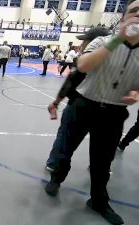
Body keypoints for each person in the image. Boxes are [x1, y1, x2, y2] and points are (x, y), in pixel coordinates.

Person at [45, 1, 139, 224]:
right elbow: (83, 66)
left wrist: (136, 93)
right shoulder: (102, 41)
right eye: (135, 11)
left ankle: (98, 200)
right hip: (84, 104)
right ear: (123, 17)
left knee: (102, 162)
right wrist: (118, 39)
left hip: (114, 113)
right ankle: (56, 179)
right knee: (65, 147)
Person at [45, 27, 110, 172]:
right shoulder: (115, 62)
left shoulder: (84, 61)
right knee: (102, 142)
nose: (82, 45)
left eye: (85, 41)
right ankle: (98, 167)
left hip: (80, 106)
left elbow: (71, 82)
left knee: (65, 137)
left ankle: (54, 164)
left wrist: (56, 102)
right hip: (105, 108)